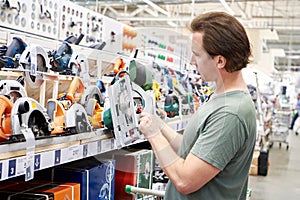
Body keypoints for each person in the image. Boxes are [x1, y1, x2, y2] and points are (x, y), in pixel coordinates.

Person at [138, 12, 256, 199]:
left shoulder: (230, 114)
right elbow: (189, 149)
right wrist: (159, 125)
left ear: (219, 60)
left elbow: (185, 181)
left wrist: (153, 135)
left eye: (197, 55)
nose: (192, 62)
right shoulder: (220, 98)